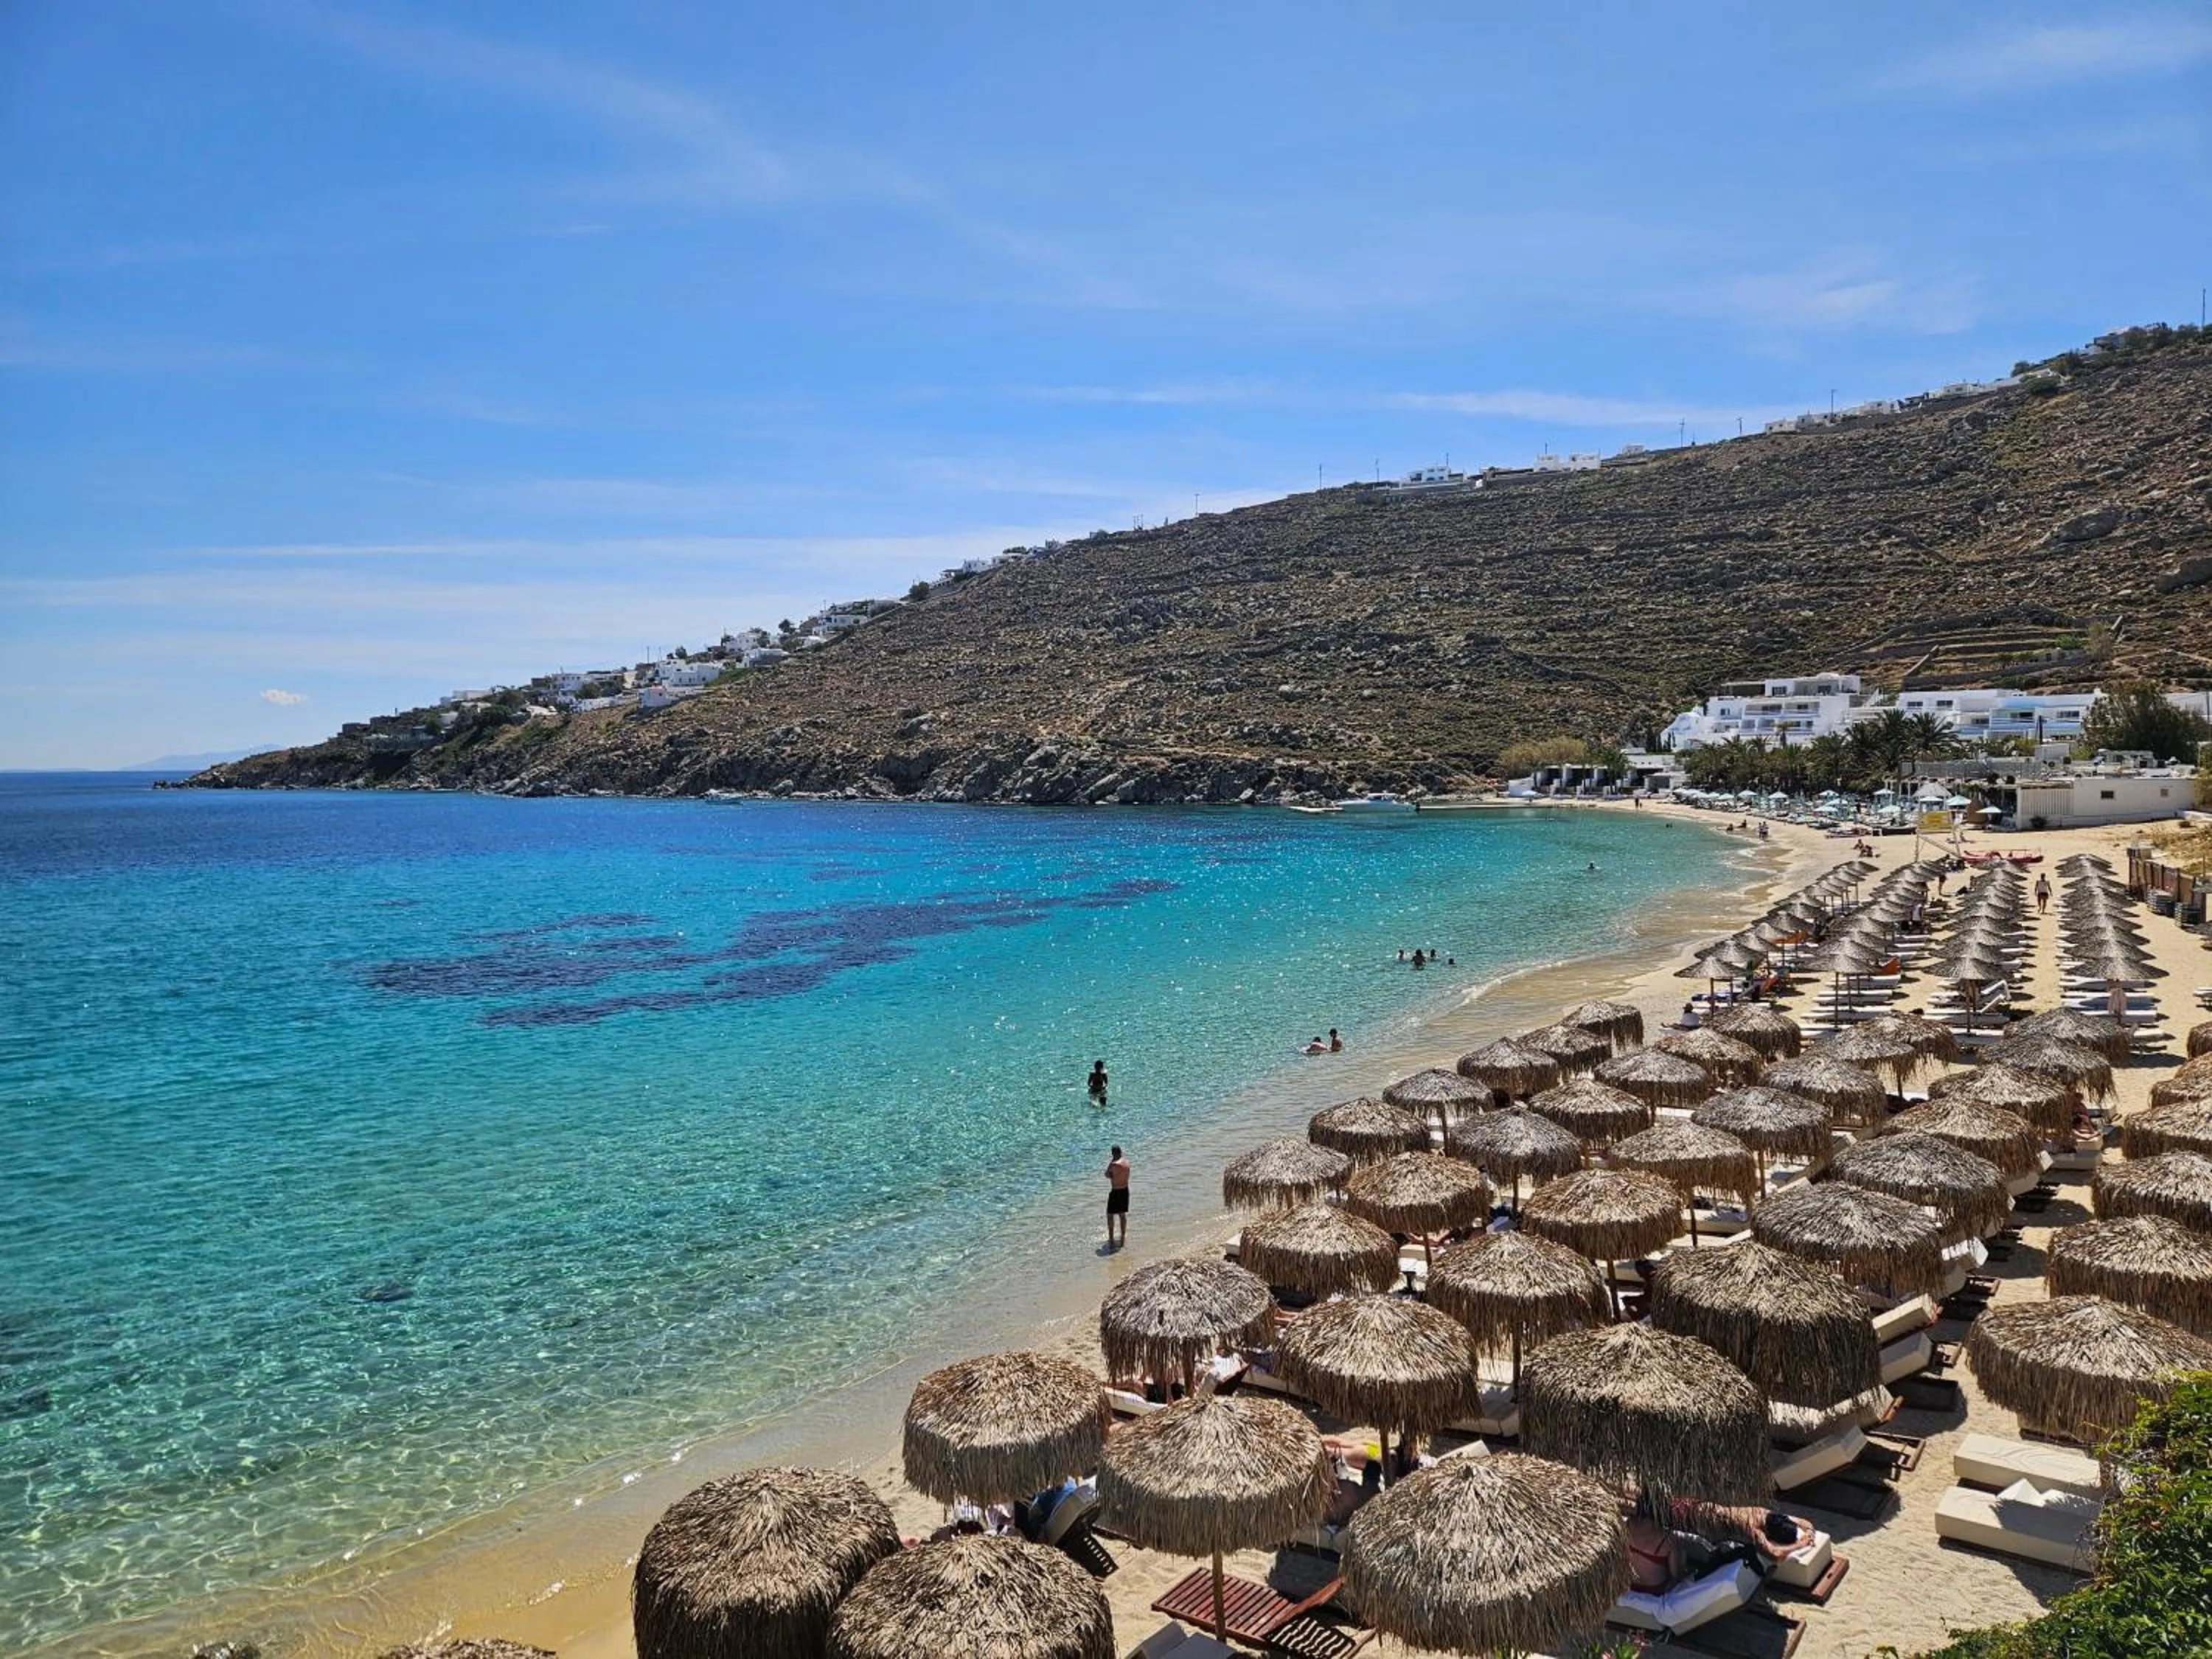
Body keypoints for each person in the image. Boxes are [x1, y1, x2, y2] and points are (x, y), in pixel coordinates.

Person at [1105, 1145, 1130, 1248]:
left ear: (1113, 1154)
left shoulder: (1114, 1165)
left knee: (1110, 1215)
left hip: (1116, 1191)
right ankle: (1123, 1237)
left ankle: (1111, 1238)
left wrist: (1111, 1163)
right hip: (1125, 1190)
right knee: (1122, 1214)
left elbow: (1107, 1174)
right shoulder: (1127, 1162)